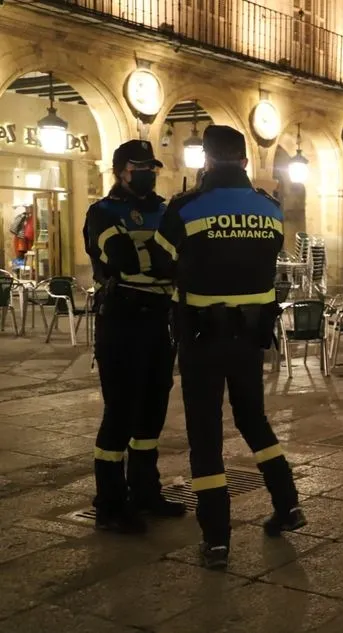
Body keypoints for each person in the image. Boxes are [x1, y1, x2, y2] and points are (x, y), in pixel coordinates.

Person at [145, 126, 304, 569]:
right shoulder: (269, 209)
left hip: (202, 336)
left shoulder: (187, 208)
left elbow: (160, 261)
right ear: (246, 161)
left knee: (206, 434)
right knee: (254, 420)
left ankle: (216, 538)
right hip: (251, 337)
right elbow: (268, 256)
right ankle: (288, 504)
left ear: (207, 162)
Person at [82, 140, 184, 534]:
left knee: (152, 412)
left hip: (160, 318)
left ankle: (144, 491)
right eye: (140, 167)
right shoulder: (102, 212)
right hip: (122, 318)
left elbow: (178, 259)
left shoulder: (165, 210)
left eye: (152, 167)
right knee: (120, 414)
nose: (148, 173)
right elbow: (122, 259)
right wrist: (163, 259)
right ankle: (109, 502)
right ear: (121, 170)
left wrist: (160, 261)